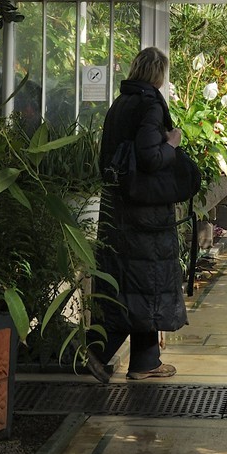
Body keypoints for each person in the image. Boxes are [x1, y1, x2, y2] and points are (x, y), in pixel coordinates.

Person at [84, 46, 188, 382]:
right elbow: (149, 156)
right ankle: (97, 350)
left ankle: (145, 361)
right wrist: (171, 144)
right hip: (145, 211)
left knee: (138, 284)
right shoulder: (150, 104)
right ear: (158, 73)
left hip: (119, 206)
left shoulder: (120, 103)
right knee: (145, 282)